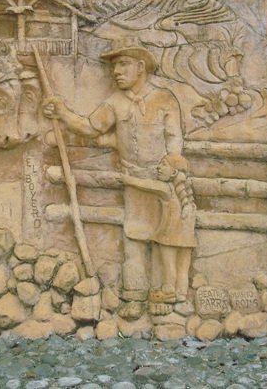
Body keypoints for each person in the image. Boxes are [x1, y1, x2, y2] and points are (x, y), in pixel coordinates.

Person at [42, 37, 196, 308]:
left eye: (123, 64)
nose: (116, 71)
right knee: (135, 235)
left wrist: (172, 168)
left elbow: (175, 139)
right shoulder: (114, 103)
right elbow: (91, 127)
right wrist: (62, 112)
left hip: (163, 183)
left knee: (168, 238)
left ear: (140, 66)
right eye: (114, 66)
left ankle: (169, 292)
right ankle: (135, 294)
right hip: (134, 181)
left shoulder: (164, 99)